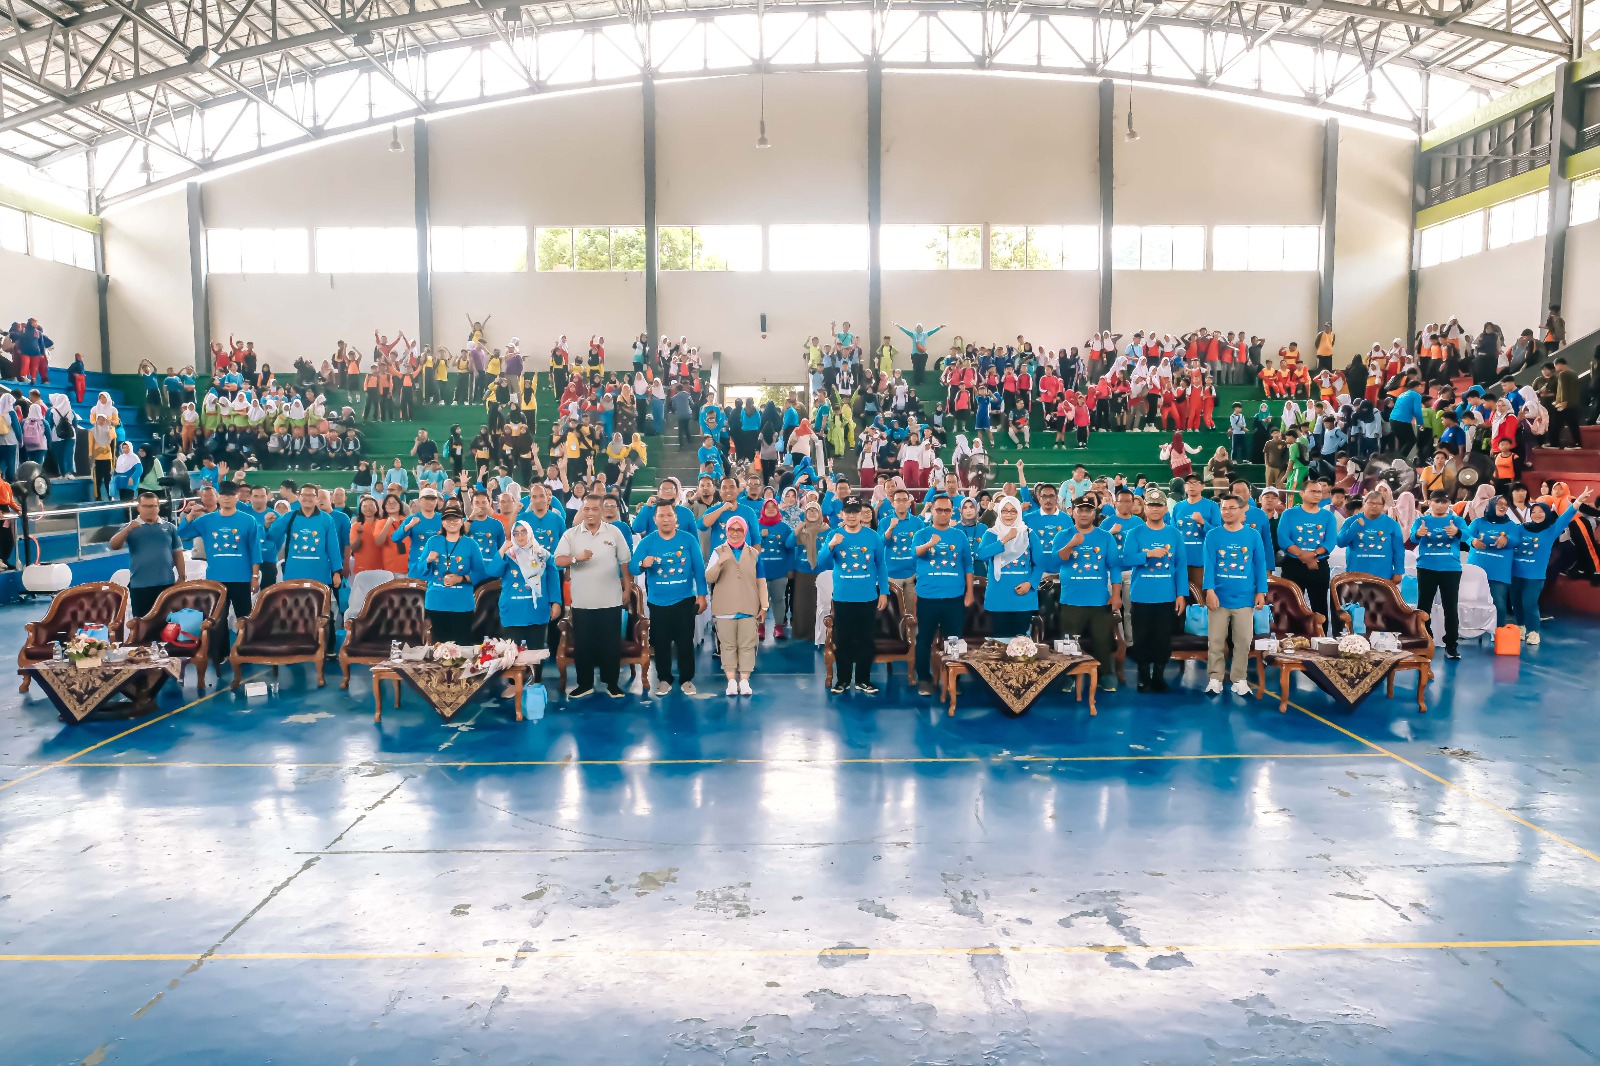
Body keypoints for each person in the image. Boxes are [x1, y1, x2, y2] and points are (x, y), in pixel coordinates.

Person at [176, 482, 262, 668]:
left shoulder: (248, 520)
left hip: (241, 577)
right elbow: (181, 533)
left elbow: (255, 550)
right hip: (216, 578)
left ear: (237, 497)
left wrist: (254, 576)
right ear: (218, 498)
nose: (227, 498)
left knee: (243, 617)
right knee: (218, 618)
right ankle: (220, 654)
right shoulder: (207, 520)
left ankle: (244, 651)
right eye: (223, 495)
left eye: (231, 495)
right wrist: (189, 515)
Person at [554, 496, 633, 698]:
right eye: (586, 509)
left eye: (595, 509)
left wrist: (627, 589)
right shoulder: (571, 534)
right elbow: (557, 561)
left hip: (611, 600)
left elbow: (625, 562)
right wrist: (576, 558)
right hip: (582, 601)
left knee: (610, 644)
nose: (590, 513)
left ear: (601, 511)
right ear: (582, 510)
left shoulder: (614, 532)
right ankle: (585, 684)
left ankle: (612, 684)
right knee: (583, 645)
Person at [630, 499, 708, 696]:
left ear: (676, 518)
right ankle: (664, 679)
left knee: (685, 643)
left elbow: (699, 569)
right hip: (658, 603)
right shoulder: (648, 541)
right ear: (655, 520)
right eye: (661, 516)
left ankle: (686, 679)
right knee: (661, 644)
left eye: (669, 515)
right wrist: (642, 564)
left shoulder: (689, 539)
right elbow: (631, 567)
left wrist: (702, 595)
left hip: (685, 601)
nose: (665, 519)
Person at [1201, 494, 1270, 696]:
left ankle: (1239, 679)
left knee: (1243, 641)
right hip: (1219, 598)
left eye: (1232, 508)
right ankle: (1215, 678)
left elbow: (1260, 565)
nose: (1227, 512)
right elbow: (1209, 565)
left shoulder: (1253, 536)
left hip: (1244, 598)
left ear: (1242, 510)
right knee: (1215, 640)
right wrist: (1209, 590)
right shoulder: (1213, 535)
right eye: (1223, 508)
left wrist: (1261, 591)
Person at [818, 500, 888, 694]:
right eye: (847, 512)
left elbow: (881, 566)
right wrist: (831, 545)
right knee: (843, 640)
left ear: (861, 514)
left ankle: (863, 680)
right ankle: (842, 680)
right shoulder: (834, 535)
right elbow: (820, 563)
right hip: (842, 598)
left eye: (855, 512)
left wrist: (884, 592)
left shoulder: (873, 537)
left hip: (867, 597)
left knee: (866, 640)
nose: (851, 516)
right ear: (841, 514)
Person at [909, 493, 975, 695]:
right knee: (924, 640)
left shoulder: (959, 535)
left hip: (954, 597)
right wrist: (931, 543)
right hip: (927, 597)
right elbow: (916, 553)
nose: (943, 514)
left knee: (954, 640)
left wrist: (969, 593)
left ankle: (954, 677)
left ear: (952, 512)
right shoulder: (922, 533)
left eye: (947, 510)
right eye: (939, 510)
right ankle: (924, 679)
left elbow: (968, 566)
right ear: (932, 511)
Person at [1054, 497, 1121, 692]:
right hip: (1071, 599)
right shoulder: (1063, 535)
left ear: (1094, 513)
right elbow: (1055, 561)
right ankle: (1069, 676)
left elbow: (1114, 566)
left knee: (1102, 640)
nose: (1084, 513)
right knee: (1068, 642)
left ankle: (1106, 674)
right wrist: (1071, 544)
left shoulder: (1105, 537)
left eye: (1088, 510)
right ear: (1072, 512)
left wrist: (1116, 595)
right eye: (1080, 509)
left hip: (1099, 600)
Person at [1124, 489, 1185, 692]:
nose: (1155, 509)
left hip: (1166, 596)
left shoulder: (1174, 534)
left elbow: (1180, 566)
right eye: (1151, 505)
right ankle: (1143, 676)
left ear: (1165, 508)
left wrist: (1181, 594)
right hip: (1141, 595)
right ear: (1145, 508)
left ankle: (1159, 675)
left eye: (1159, 505)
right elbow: (1126, 558)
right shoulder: (1135, 533)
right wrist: (1148, 554)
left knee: (1162, 637)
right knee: (1141, 637)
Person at [487, 520, 563, 681]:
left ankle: (536, 681)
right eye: (516, 533)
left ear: (530, 533)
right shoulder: (508, 555)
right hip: (512, 611)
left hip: (537, 609)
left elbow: (553, 580)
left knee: (536, 651)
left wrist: (556, 602)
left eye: (523, 532)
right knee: (511, 651)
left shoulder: (543, 555)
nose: (520, 536)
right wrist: (501, 549)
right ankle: (514, 685)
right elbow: (492, 571)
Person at [1511, 492, 1589, 644]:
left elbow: (1565, 518)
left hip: (1535, 576)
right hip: (1515, 573)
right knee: (1516, 602)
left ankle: (1534, 631)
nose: (1537, 514)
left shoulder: (1550, 531)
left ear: (1546, 514)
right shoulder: (1521, 528)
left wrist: (1577, 503)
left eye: (1541, 512)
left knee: (1529, 603)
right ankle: (1520, 627)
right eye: (1533, 512)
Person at [705, 515, 767, 696]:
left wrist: (764, 607)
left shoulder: (754, 554)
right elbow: (709, 577)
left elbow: (761, 582)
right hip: (725, 608)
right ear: (726, 531)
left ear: (745, 532)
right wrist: (720, 562)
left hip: (749, 608)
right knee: (727, 646)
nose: (735, 533)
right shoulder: (717, 552)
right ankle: (731, 681)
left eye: (739, 530)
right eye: (732, 529)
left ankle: (745, 680)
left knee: (748, 645)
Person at [974, 495, 1044, 640]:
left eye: (1013, 511)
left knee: (1022, 645)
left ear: (1019, 512)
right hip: (998, 597)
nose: (1008, 514)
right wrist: (1005, 539)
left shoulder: (1028, 533)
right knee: (1001, 642)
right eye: (1005, 511)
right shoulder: (992, 533)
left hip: (1022, 597)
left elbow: (1040, 563)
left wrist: (1030, 584)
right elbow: (980, 554)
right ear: (999, 512)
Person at [109, 491, 186, 618]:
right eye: (146, 506)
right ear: (138, 507)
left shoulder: (170, 528)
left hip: (166, 584)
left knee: (167, 625)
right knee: (141, 625)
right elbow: (114, 545)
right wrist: (128, 529)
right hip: (140, 586)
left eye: (153, 506)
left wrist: (182, 577)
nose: (150, 509)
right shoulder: (130, 527)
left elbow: (177, 553)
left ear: (158, 507)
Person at [419, 500, 485, 644]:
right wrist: (428, 561)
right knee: (440, 647)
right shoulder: (433, 541)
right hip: (436, 602)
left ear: (462, 522)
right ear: (442, 523)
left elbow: (480, 573)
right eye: (448, 519)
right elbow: (420, 570)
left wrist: (460, 579)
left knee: (462, 646)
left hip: (462, 603)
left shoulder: (470, 544)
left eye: (455, 519)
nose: (452, 522)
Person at [1275, 478, 1339, 625]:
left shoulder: (1328, 516)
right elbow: (1284, 539)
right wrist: (1303, 555)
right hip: (1293, 565)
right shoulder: (1289, 514)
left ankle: (1320, 639)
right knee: (1290, 603)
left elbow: (1330, 541)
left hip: (1319, 564)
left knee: (1320, 604)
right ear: (1302, 493)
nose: (1317, 495)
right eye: (1313, 491)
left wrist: (1313, 555)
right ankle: (1290, 638)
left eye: (1320, 492)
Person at [1467, 494, 1522, 628]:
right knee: (1471, 600)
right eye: (1499, 503)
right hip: (1477, 569)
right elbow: (1466, 535)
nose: (1503, 506)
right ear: (1491, 505)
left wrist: (1507, 539)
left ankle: (1498, 631)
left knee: (1498, 602)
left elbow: (1516, 540)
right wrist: (1473, 541)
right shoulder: (1478, 522)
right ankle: (1470, 628)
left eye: (1505, 504)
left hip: (1499, 571)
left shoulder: (1511, 525)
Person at [1337, 492, 1406, 585]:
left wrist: (1398, 571)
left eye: (1378, 504)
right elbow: (1341, 542)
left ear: (1383, 506)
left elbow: (1399, 549)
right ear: (1364, 503)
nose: (1374, 506)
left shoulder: (1392, 524)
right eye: (1371, 503)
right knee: (1357, 599)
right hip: (1356, 574)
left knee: (1382, 600)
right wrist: (1355, 527)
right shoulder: (1351, 521)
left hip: (1383, 575)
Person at [754, 498, 796, 640]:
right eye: (768, 507)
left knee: (779, 599)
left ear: (778, 509)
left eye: (774, 506)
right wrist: (761, 537)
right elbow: (749, 547)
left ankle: (778, 627)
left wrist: (790, 568)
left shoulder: (785, 527)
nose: (771, 509)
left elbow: (791, 548)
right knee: (760, 601)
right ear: (763, 510)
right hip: (759, 572)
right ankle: (760, 626)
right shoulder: (756, 526)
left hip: (779, 571)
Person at [1171, 475, 1220, 593]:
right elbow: (1173, 533)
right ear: (1184, 487)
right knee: (1179, 595)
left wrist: (1203, 522)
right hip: (1180, 560)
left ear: (1203, 486)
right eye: (1188, 483)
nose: (1191, 486)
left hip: (1202, 561)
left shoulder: (1211, 506)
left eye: (1195, 483)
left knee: (1200, 598)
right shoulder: (1178, 507)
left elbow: (1218, 534)